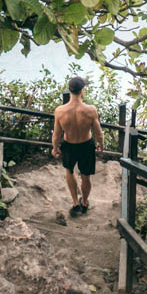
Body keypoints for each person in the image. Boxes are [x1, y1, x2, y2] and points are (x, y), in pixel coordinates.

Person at [51, 76, 105, 216]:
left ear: (70, 91)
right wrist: (101, 144)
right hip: (86, 145)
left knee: (69, 171)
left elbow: (56, 135)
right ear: (82, 90)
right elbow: (98, 133)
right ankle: (84, 203)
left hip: (68, 146)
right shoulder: (90, 110)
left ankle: (75, 203)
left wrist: (55, 148)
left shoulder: (60, 111)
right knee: (85, 176)